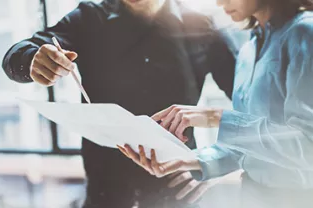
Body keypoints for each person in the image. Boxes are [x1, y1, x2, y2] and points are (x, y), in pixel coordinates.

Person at [2, 0, 237, 207]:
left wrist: (214, 164)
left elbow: (254, 106)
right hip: (105, 192)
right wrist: (32, 58)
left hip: (177, 194)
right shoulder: (88, 17)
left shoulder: (202, 27)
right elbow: (18, 53)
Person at [119, 0, 313, 207]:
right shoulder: (249, 47)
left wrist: (217, 118)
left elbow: (308, 147)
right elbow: (250, 145)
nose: (220, 2)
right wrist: (189, 160)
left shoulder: (305, 33)